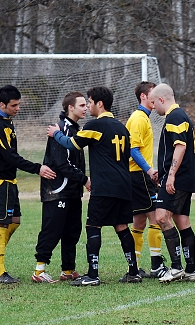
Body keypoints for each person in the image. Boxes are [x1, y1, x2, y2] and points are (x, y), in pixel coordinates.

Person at [47, 86, 138, 286]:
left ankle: (92, 275)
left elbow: (72, 144)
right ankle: (133, 271)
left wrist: (56, 134)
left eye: (89, 102)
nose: (88, 106)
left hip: (104, 186)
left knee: (92, 226)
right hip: (124, 185)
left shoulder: (95, 126)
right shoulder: (122, 127)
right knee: (121, 226)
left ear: (100, 104)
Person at [0, 85, 56, 284]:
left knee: (15, 221)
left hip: (9, 181)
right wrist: (37, 168)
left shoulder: (8, 121)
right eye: (14, 105)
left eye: (19, 104)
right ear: (2, 105)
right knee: (1, 223)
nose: (18, 108)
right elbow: (10, 157)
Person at [32, 92, 89, 283]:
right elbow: (62, 164)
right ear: (70, 107)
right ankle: (39, 270)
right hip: (58, 190)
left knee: (72, 229)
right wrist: (85, 179)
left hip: (72, 191)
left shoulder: (73, 128)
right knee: (52, 229)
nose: (86, 108)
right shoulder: (61, 128)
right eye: (81, 105)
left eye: (86, 105)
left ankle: (68, 269)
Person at [149, 84, 195, 283]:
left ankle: (176, 267)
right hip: (184, 177)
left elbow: (180, 147)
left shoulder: (175, 117)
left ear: (162, 99)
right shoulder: (181, 116)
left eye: (154, 102)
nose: (153, 107)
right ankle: (191, 270)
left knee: (161, 217)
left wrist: (170, 176)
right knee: (182, 222)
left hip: (177, 179)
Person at [126, 81, 168, 278]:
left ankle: (133, 267)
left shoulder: (144, 117)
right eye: (153, 93)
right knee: (155, 218)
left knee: (139, 222)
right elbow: (133, 150)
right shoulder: (138, 118)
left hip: (138, 176)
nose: (157, 95)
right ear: (143, 96)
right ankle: (156, 265)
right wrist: (150, 171)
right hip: (139, 175)